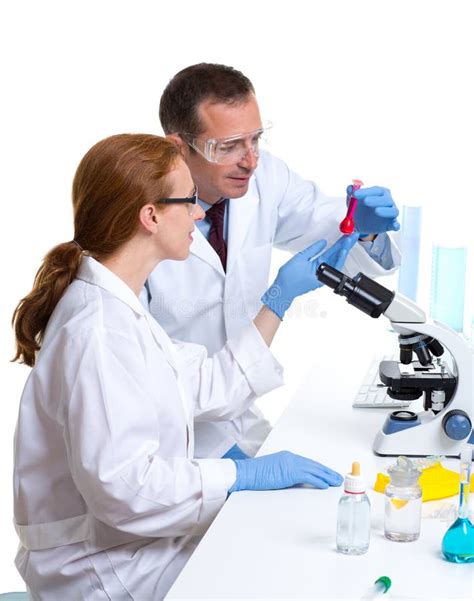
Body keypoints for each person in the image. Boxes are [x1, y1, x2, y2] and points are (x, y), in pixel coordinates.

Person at [12, 133, 357, 599]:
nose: (199, 213)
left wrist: (278, 299)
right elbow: (125, 489)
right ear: (150, 216)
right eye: (189, 200)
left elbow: (202, 386)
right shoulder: (98, 331)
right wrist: (240, 477)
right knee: (277, 574)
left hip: (129, 543)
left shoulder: (118, 307)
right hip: (101, 570)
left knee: (277, 550)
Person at [144, 63, 402, 460]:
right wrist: (279, 298)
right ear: (179, 146)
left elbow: (328, 224)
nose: (250, 161)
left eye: (256, 140)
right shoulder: (142, 216)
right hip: (166, 434)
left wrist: (365, 229)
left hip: (237, 413)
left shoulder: (265, 180)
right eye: (227, 146)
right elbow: (142, 378)